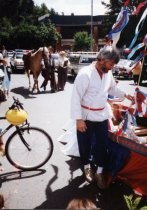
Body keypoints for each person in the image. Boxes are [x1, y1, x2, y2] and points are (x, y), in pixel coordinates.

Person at [71, 47, 134, 189]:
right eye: (111, 63)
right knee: (84, 144)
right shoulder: (85, 74)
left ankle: (99, 172)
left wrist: (125, 95)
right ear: (102, 60)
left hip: (102, 115)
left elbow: (112, 89)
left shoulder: (108, 73)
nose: (113, 67)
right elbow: (75, 98)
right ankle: (87, 168)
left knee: (101, 145)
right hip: (85, 116)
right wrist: (78, 119)